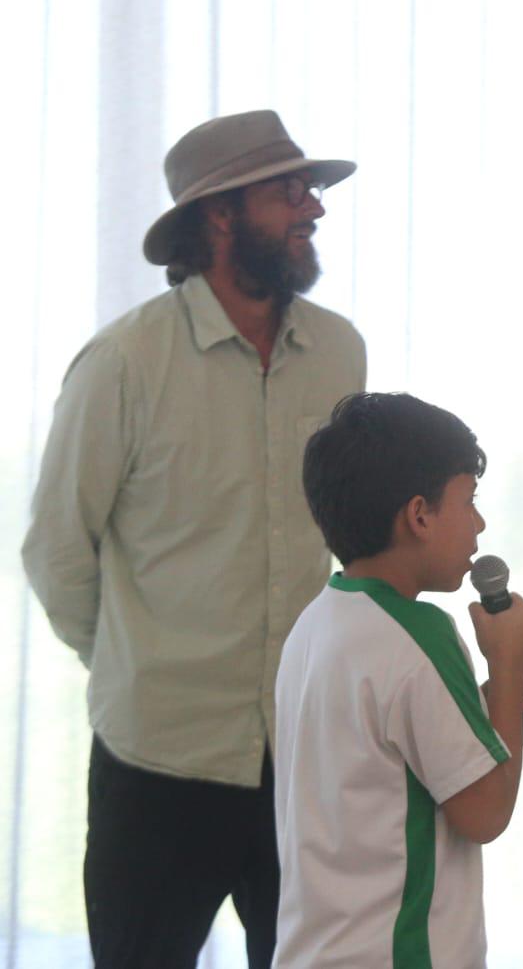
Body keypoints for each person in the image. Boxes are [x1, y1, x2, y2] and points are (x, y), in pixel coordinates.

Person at [20, 109, 366, 967]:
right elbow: (58, 548)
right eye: (289, 193)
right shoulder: (124, 363)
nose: (312, 210)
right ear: (220, 215)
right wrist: (136, 660)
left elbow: (355, 530)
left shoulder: (339, 354)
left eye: (311, 191)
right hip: (157, 764)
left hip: (300, 755)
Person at [275, 391, 523, 968]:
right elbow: (485, 812)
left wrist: (491, 700)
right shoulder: (419, 633)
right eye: (468, 501)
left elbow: (384, 756)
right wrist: (505, 666)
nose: (479, 523)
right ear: (419, 514)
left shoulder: (318, 620)